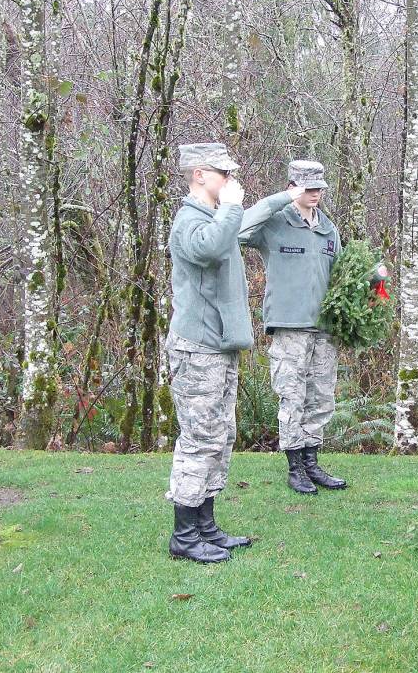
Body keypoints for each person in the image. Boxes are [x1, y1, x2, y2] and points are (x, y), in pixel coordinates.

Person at [163, 142, 254, 563]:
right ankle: (184, 535)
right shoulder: (189, 220)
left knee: (220, 437)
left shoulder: (212, 217)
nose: (231, 182)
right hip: (197, 348)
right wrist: (232, 208)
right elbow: (209, 249)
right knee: (199, 439)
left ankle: (206, 526)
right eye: (224, 174)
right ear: (200, 174)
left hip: (219, 346)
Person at [239, 160, 347, 494]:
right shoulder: (274, 223)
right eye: (306, 188)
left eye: (318, 188)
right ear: (292, 187)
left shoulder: (328, 228)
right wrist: (279, 199)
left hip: (323, 329)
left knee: (321, 397)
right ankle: (294, 466)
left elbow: (341, 275)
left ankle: (312, 463)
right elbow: (241, 231)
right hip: (289, 326)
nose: (314, 194)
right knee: (292, 396)